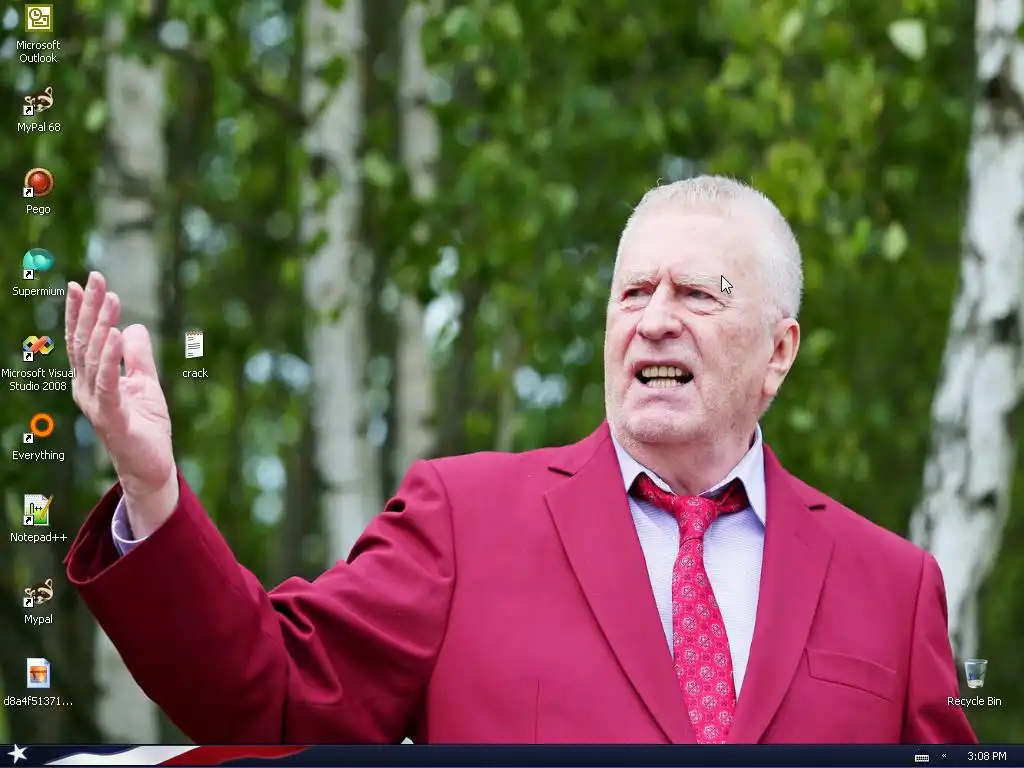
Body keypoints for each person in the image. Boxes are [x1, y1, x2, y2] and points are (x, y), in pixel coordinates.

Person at [65, 176, 977, 745]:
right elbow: (269, 698)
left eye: (700, 294)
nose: (655, 319)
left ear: (779, 351)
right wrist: (153, 488)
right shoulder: (463, 521)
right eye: (633, 292)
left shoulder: (894, 587)